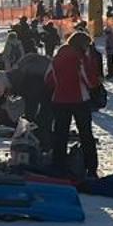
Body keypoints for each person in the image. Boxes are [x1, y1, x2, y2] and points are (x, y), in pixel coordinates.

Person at [46, 30, 103, 175]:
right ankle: (91, 167)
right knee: (86, 134)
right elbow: (90, 80)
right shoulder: (80, 57)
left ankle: (58, 165)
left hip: (59, 99)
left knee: (60, 134)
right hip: (79, 100)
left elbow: (48, 78)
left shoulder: (58, 56)